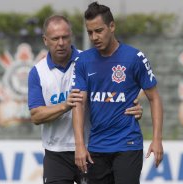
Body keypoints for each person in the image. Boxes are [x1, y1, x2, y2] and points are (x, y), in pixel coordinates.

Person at [27, 15, 143, 184]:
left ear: (71, 37)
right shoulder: (37, 72)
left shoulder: (90, 60)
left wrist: (133, 107)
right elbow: (36, 116)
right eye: (55, 38)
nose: (61, 43)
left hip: (91, 150)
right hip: (56, 153)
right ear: (45, 40)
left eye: (65, 37)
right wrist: (66, 105)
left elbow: (116, 92)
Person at [72, 2, 164, 184]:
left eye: (99, 30)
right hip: (96, 147)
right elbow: (78, 104)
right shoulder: (83, 61)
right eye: (90, 32)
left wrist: (157, 139)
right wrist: (80, 145)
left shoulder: (135, 58)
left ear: (112, 26)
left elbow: (154, 98)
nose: (94, 37)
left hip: (128, 145)